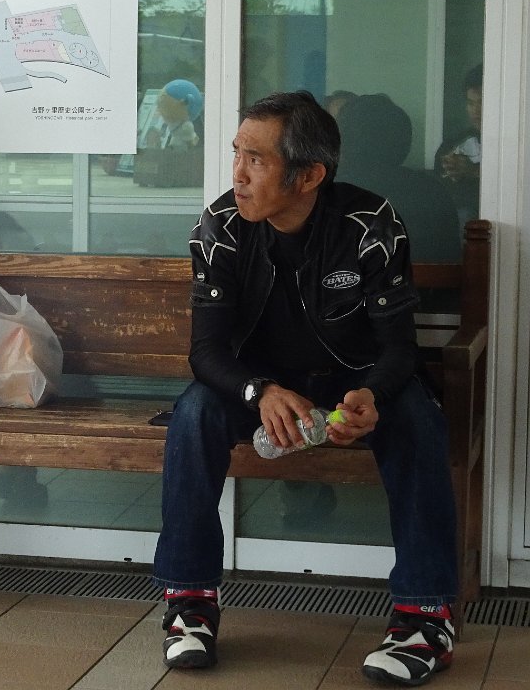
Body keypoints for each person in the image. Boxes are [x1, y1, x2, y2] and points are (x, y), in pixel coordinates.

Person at [152, 91, 458, 686]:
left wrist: (373, 395)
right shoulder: (221, 227)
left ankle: (426, 618)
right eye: (237, 154)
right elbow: (206, 353)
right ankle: (189, 604)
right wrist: (258, 391)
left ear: (309, 175)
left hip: (354, 383)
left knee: (418, 418)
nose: (238, 174)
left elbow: (400, 346)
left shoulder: (370, 225)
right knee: (194, 415)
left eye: (257, 160)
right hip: (261, 386)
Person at [337, 93, 461, 262]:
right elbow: (450, 261)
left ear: (345, 141)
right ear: (404, 140)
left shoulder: (327, 192)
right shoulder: (432, 191)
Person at [434, 64, 482, 230]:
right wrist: (450, 171)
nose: (476, 110)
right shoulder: (453, 143)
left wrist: (473, 171)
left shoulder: (514, 145)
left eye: (482, 102)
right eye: (470, 103)